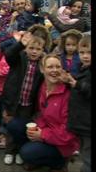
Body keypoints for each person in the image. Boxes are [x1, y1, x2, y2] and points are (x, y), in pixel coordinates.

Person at [7, 54, 80, 172]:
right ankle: (38, 158)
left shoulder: (68, 93)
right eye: (50, 67)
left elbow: (69, 132)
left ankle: (59, 163)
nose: (54, 70)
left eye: (58, 67)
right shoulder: (43, 86)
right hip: (48, 131)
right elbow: (42, 114)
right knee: (13, 125)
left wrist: (42, 135)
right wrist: (38, 130)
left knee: (26, 152)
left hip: (63, 143)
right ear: (42, 69)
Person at [2, 32, 46, 165]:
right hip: (14, 101)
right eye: (31, 48)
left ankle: (20, 151)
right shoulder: (19, 58)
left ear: (42, 51)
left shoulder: (42, 64)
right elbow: (9, 54)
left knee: (24, 129)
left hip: (29, 104)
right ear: (26, 48)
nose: (34, 51)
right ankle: (10, 151)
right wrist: (20, 43)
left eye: (38, 49)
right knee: (10, 127)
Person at [64, 35, 91, 172]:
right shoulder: (82, 68)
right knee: (84, 151)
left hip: (87, 124)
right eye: (82, 52)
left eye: (89, 53)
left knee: (88, 157)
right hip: (82, 122)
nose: (85, 56)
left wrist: (77, 85)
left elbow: (86, 87)